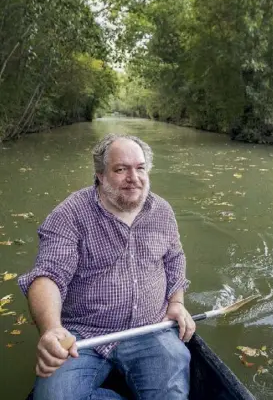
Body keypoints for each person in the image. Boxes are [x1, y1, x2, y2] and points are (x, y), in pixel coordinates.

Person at [18, 133, 195, 400]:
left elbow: (174, 259)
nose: (133, 178)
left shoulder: (162, 211)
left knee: (173, 392)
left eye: (140, 168)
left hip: (150, 328)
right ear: (100, 175)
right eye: (121, 169)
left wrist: (177, 302)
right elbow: (48, 276)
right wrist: (52, 329)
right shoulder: (70, 213)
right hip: (83, 334)